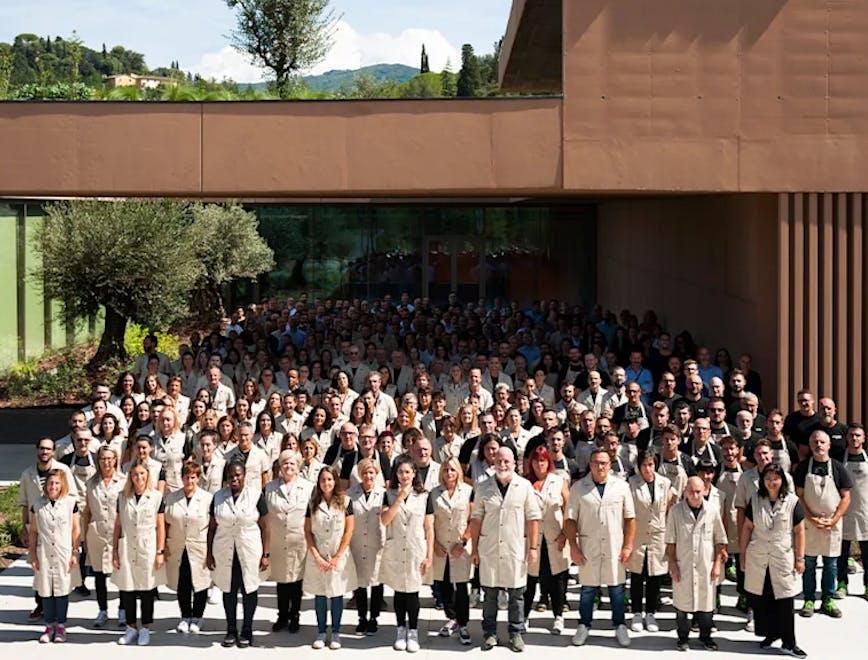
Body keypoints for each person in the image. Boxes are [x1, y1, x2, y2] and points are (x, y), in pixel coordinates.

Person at [470, 447, 542, 653]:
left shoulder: (524, 486)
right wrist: (474, 549)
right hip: (489, 548)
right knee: (490, 595)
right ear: (494, 463)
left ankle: (515, 633)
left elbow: (533, 518)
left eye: (507, 462)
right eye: (499, 461)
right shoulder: (483, 486)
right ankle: (490, 633)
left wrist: (534, 548)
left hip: (515, 548)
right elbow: (476, 519)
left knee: (517, 594)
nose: (503, 465)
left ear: (514, 463)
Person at [566, 448, 635, 648]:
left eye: (604, 463)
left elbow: (630, 519)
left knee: (617, 589)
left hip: (615, 545)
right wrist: (573, 547)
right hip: (589, 546)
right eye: (596, 462)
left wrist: (628, 546)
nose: (600, 466)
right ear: (590, 464)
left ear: (610, 465)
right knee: (587, 589)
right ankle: (584, 625)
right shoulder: (579, 488)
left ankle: (619, 625)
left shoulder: (621, 487)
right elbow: (570, 520)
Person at [739, 463, 808, 659]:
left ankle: (789, 642)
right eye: (768, 478)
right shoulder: (755, 499)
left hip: (782, 555)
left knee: (785, 599)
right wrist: (743, 554)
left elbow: (799, 531)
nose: (772, 482)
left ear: (782, 481)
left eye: (775, 479)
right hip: (759, 555)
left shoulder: (792, 501)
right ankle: (770, 634)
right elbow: (747, 528)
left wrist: (800, 558)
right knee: (763, 597)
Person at [207, 460, 270, 648]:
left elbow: (265, 527)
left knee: (249, 589)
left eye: (238, 475)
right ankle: (231, 629)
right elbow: (211, 527)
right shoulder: (218, 497)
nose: (234, 479)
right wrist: (209, 553)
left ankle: (247, 629)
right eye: (231, 476)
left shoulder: (256, 495)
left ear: (244, 476)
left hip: (249, 549)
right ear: (226, 478)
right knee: (229, 589)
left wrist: (266, 554)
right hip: (225, 549)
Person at [794, 429, 852, 618]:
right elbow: (799, 496)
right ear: (810, 445)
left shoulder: (838, 468)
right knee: (809, 564)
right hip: (810, 524)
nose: (818, 445)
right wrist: (810, 516)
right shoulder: (803, 468)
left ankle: (827, 599)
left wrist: (834, 519)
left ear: (828, 445)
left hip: (832, 525)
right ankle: (809, 599)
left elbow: (846, 497)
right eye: (815, 442)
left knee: (831, 565)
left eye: (822, 442)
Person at [380, 455, 435, 653]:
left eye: (407, 472)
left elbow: (429, 528)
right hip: (395, 548)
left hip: (415, 549)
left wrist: (429, 555)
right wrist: (398, 499)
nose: (404, 476)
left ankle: (413, 631)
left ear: (414, 474)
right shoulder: (388, 494)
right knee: (398, 591)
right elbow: (385, 520)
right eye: (400, 472)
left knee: (412, 592)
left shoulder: (425, 496)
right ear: (396, 474)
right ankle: (400, 629)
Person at [18, 437, 77, 622]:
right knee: (39, 571)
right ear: (37, 450)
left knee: (59, 576)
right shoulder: (27, 474)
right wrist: (23, 527)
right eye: (42, 448)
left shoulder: (63, 470)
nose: (45, 452)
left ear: (53, 451)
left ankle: (58, 618)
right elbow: (24, 503)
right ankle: (40, 606)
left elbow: (73, 497)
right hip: (37, 525)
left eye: (48, 449)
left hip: (59, 526)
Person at [665, 476, 727, 651]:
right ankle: (683, 638)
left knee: (706, 606)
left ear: (705, 491)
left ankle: (706, 637)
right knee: (682, 607)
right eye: (691, 491)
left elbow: (720, 540)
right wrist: (673, 565)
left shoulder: (712, 511)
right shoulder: (676, 511)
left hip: (705, 566)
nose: (695, 495)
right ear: (685, 491)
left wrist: (716, 564)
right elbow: (670, 541)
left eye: (698, 491)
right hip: (683, 565)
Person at [112, 460, 166, 646]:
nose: (139, 477)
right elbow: (118, 526)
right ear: (130, 477)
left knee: (146, 590)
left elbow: (160, 526)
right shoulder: (122, 497)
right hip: (126, 545)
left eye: (142, 474)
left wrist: (160, 551)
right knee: (127, 589)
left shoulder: (157, 497)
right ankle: (131, 627)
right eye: (135, 474)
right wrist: (114, 552)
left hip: (147, 546)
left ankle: (145, 628)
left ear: (148, 475)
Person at [304, 465, 357, 650]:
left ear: (335, 481)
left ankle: (335, 632)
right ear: (318, 483)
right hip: (318, 555)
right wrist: (317, 556)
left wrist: (337, 557)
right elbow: (308, 532)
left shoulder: (346, 502)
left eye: (329, 479)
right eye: (323, 480)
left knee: (336, 594)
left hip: (338, 555)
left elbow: (349, 531)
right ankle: (320, 631)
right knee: (319, 594)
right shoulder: (312, 503)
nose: (326, 483)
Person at [28, 469, 81, 643]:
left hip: (63, 552)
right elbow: (34, 532)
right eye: (50, 483)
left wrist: (74, 552)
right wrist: (33, 555)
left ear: (62, 485)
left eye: (57, 483)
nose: (53, 486)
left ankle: (61, 627)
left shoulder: (70, 503)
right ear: (45, 485)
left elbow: (75, 530)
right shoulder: (37, 504)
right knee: (46, 590)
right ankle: (49, 625)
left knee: (61, 590)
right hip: (44, 552)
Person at [264, 451, 313, 634]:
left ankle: (295, 616)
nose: (288, 466)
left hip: (299, 540)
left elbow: (311, 515)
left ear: (298, 466)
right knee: (282, 581)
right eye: (285, 463)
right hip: (278, 540)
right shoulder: (269, 488)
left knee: (296, 582)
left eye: (292, 463)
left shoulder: (308, 487)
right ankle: (282, 615)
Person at [524, 446, 570, 635]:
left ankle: (558, 616)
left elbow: (570, 509)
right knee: (529, 580)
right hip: (532, 539)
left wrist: (565, 534)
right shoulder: (524, 483)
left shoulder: (558, 481)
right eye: (536, 460)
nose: (539, 464)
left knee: (557, 579)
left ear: (548, 462)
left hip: (554, 537)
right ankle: (524, 616)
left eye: (542, 460)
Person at [164, 461, 213, 634]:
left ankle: (197, 617)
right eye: (186, 477)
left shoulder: (207, 499)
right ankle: (185, 616)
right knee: (182, 582)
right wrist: (164, 546)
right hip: (177, 546)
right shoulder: (171, 498)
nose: (189, 481)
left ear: (198, 478)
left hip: (199, 546)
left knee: (200, 583)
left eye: (193, 477)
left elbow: (212, 526)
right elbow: (166, 524)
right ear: (181, 478)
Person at [430, 457, 474, 645]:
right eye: (446, 470)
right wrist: (434, 545)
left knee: (462, 586)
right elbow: (429, 521)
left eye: (453, 470)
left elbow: (474, 519)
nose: (449, 473)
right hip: (441, 545)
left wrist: (463, 541)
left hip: (460, 545)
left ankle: (463, 623)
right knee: (444, 584)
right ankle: (452, 618)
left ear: (458, 472)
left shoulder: (469, 491)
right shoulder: (434, 493)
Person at [627, 450, 672, 633]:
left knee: (654, 576)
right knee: (638, 575)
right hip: (638, 534)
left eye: (651, 464)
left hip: (657, 534)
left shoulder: (665, 483)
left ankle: (651, 613)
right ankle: (637, 612)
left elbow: (668, 508)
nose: (648, 468)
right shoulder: (631, 483)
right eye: (644, 465)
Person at [83, 446, 126, 628]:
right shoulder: (91, 483)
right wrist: (84, 537)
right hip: (98, 531)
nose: (106, 462)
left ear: (115, 460)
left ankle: (123, 611)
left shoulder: (123, 481)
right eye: (102, 459)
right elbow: (87, 512)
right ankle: (102, 610)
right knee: (99, 575)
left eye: (110, 458)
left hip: (119, 532)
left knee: (122, 574)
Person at [348, 457, 387, 635]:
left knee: (377, 581)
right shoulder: (350, 494)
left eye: (371, 472)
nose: (368, 476)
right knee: (360, 582)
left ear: (376, 474)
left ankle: (374, 618)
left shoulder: (383, 493)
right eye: (365, 473)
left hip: (377, 542)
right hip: (357, 542)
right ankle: (362, 618)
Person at [838, 424, 868, 598]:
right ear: (847, 438)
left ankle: (867, 586)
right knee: (842, 552)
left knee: (867, 554)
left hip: (865, 511)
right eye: (851, 435)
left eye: (858, 435)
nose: (854, 438)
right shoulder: (839, 460)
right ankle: (842, 584)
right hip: (844, 511)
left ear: (863, 438)